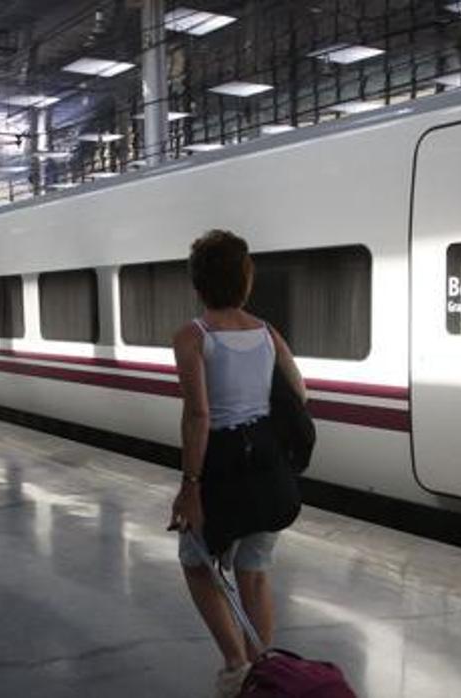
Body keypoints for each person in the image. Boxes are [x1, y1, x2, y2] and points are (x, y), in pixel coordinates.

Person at [168, 230, 306, 698]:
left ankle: (235, 666)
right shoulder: (268, 333)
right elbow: (299, 395)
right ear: (245, 281)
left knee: (195, 561)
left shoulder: (193, 336)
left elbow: (199, 414)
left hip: (221, 470)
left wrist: (189, 486)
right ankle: (259, 674)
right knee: (255, 568)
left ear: (198, 283)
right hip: (269, 471)